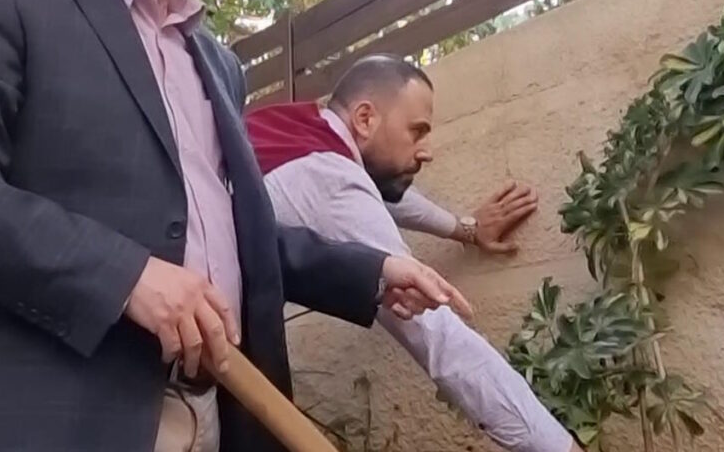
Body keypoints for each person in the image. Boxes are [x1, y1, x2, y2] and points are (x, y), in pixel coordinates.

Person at [0, 0, 471, 452]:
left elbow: (226, 236)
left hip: (222, 416)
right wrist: (125, 275)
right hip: (59, 416)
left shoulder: (220, 64)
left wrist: (369, 270)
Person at [246, 55, 580, 452]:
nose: (427, 152)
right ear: (366, 119)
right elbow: (442, 340)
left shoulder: (298, 132)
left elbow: (381, 196)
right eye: (416, 132)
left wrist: (465, 229)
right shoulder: (328, 177)